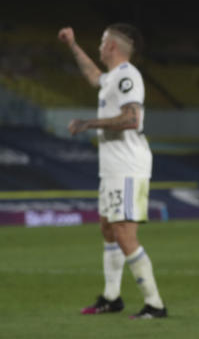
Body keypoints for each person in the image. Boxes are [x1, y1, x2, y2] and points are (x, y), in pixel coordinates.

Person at [57, 24, 168, 319]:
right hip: (112, 168)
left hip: (128, 167)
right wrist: (73, 44)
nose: (99, 46)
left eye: (102, 41)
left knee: (123, 233)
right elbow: (94, 76)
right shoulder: (112, 78)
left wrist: (88, 123)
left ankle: (154, 303)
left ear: (113, 47)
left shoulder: (129, 76)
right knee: (108, 229)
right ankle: (111, 297)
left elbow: (132, 119)